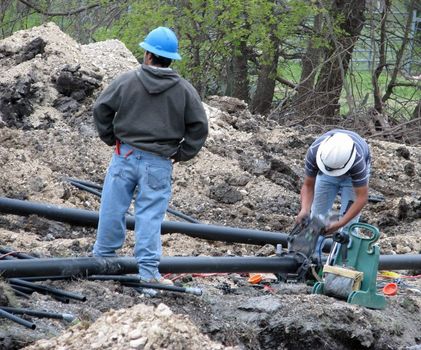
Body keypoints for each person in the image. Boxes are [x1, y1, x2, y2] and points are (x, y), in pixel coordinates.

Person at [92, 27, 208, 285]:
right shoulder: (184, 90)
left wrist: (111, 138)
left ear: (148, 55)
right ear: (171, 58)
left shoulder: (127, 80)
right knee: (150, 217)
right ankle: (148, 275)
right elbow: (199, 126)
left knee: (112, 208)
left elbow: (101, 108)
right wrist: (183, 153)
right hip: (158, 162)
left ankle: (102, 261)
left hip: (125, 155)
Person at [296, 129, 371, 235]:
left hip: (351, 177)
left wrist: (341, 223)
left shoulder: (358, 161)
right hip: (325, 173)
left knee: (349, 228)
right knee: (317, 219)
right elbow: (308, 185)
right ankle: (312, 250)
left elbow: (361, 198)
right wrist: (304, 209)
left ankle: (346, 248)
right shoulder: (314, 152)